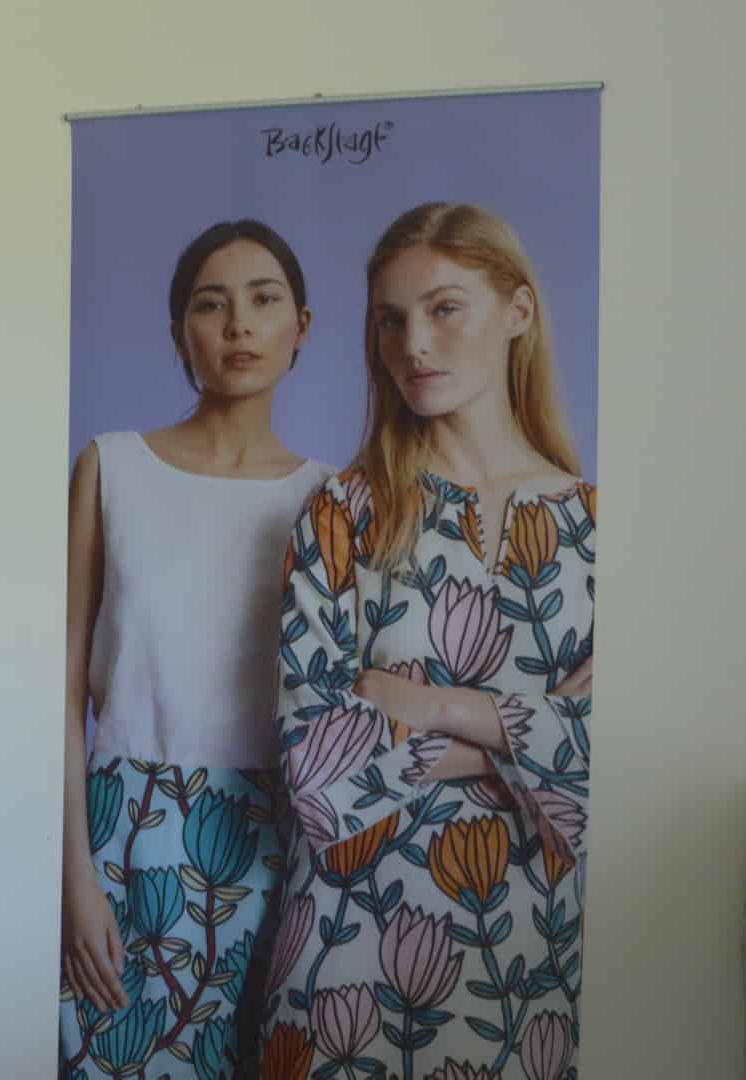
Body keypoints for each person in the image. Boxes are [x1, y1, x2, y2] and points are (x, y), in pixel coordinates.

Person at [257, 203, 593, 1080]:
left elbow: (622, 764)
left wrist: (435, 707)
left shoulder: (601, 532)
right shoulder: (342, 514)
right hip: (346, 963)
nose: (414, 344)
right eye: (390, 319)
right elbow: (314, 767)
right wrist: (532, 731)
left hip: (534, 960)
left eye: (445, 309)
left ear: (518, 311)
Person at [60, 220, 335, 1078]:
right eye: (211, 306)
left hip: (278, 838)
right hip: (121, 828)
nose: (239, 325)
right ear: (180, 332)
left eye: (264, 300)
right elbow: (60, 693)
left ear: (302, 326)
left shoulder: (328, 499)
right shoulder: (111, 468)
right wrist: (74, 879)